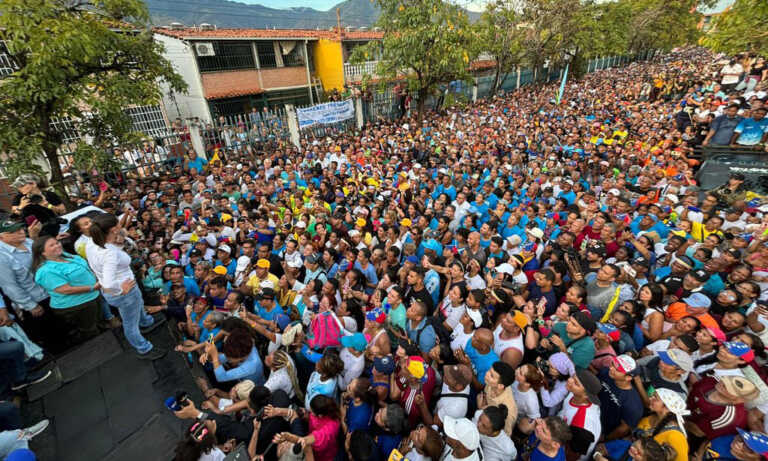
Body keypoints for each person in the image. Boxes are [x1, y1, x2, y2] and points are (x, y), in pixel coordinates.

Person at [86, 213, 166, 359]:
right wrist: (120, 289)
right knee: (130, 324)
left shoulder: (92, 243)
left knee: (139, 305)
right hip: (124, 293)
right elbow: (109, 283)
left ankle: (146, 322)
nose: (120, 225)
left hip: (121, 290)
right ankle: (144, 348)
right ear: (112, 230)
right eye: (117, 224)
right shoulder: (109, 254)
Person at [31, 235, 101, 346]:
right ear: (42, 253)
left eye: (57, 242)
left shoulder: (66, 256)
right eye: (52, 245)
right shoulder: (45, 271)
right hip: (77, 306)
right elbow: (65, 290)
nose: (57, 245)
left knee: (95, 325)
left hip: (92, 298)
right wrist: (92, 287)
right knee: (89, 332)